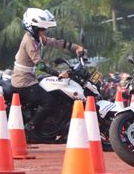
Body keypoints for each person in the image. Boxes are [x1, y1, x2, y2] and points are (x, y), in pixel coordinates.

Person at [11, 8, 85, 139]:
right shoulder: (29, 41)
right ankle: (31, 127)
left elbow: (55, 41)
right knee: (48, 102)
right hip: (23, 81)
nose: (44, 31)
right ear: (32, 28)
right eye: (41, 28)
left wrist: (75, 47)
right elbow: (39, 64)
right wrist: (58, 74)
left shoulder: (37, 38)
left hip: (30, 78)